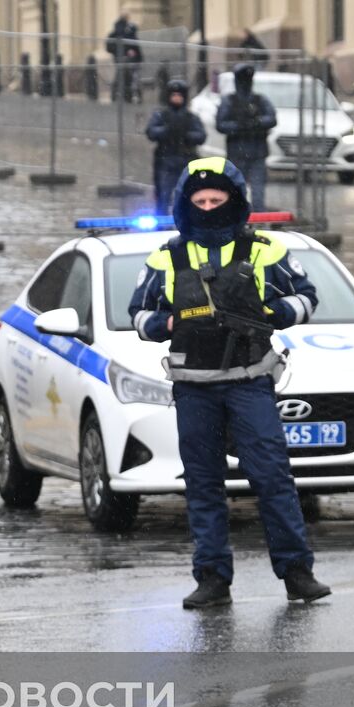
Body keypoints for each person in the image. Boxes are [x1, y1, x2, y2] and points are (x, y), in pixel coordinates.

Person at [128, 157, 331, 609]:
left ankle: (298, 573)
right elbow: (137, 315)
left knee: (273, 478)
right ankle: (213, 579)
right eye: (199, 201)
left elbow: (308, 297)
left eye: (216, 200)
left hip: (250, 382)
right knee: (203, 484)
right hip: (193, 387)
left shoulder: (265, 250)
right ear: (186, 204)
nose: (207, 207)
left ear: (234, 200)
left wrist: (278, 313)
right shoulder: (167, 256)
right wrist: (166, 323)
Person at [216, 64, 277, 211]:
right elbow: (221, 124)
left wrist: (255, 123)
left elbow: (272, 119)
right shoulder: (229, 101)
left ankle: (258, 222)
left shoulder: (259, 100)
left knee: (258, 195)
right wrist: (239, 126)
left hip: (257, 152)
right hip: (237, 152)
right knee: (237, 192)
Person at [146, 79, 207, 215]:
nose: (176, 98)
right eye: (174, 95)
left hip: (186, 160)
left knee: (190, 195)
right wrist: (168, 130)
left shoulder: (191, 117)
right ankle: (162, 223)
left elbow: (201, 136)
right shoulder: (161, 115)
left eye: (179, 96)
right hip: (166, 160)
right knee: (164, 196)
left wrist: (186, 134)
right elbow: (151, 132)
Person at [106, 13, 143, 103]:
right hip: (127, 58)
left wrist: (118, 53)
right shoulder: (127, 31)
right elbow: (134, 45)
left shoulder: (117, 32)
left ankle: (117, 96)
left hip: (121, 58)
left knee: (122, 77)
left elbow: (109, 46)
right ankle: (128, 96)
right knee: (130, 78)